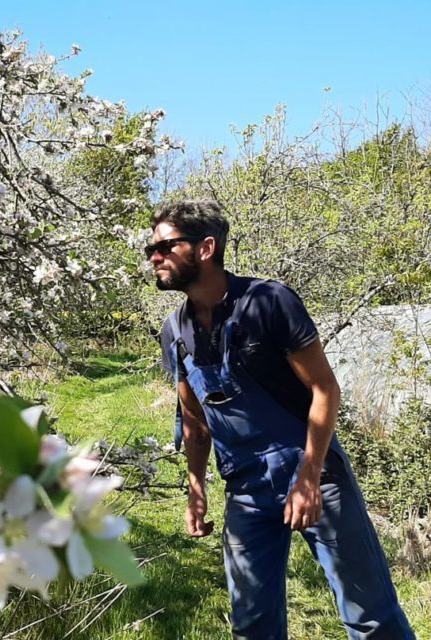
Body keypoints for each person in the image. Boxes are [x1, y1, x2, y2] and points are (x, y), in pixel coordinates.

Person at [151, 200, 414, 639]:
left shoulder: (269, 302)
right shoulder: (175, 332)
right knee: (252, 625)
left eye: (165, 247)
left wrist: (308, 478)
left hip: (316, 476)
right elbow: (195, 421)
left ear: (206, 248)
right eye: (151, 249)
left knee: (370, 618)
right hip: (245, 490)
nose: (154, 257)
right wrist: (196, 490)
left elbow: (325, 390)